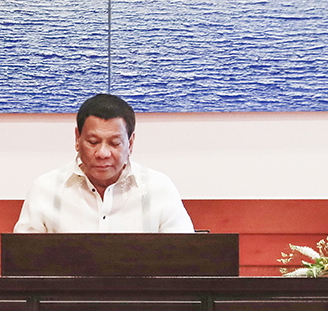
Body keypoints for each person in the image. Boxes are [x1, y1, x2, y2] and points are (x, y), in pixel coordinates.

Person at [14, 93, 194, 233]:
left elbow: (185, 259)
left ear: (130, 143)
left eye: (115, 143)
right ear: (77, 138)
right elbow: (22, 263)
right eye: (93, 142)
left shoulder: (159, 189)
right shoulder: (45, 189)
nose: (102, 153)